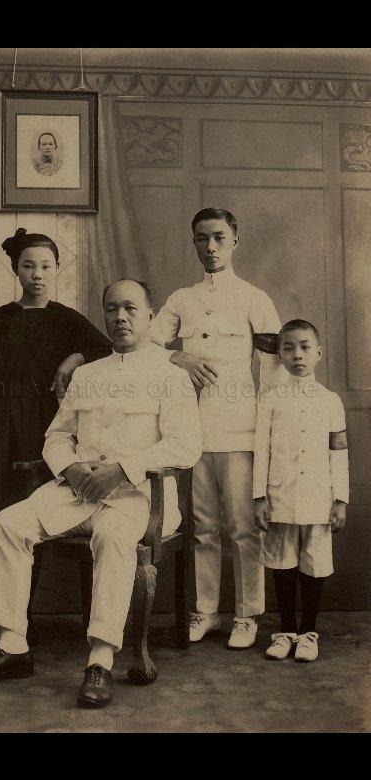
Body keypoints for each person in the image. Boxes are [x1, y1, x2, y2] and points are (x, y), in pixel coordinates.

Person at [0, 279, 202, 707]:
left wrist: (123, 469)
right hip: (77, 493)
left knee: (111, 535)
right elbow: (57, 436)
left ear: (150, 313)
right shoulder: (88, 374)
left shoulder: (171, 376)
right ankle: (13, 644)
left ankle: (101, 660)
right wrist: (68, 466)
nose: (120, 318)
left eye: (130, 308)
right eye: (111, 309)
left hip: (139, 498)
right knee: (6, 524)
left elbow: (185, 446)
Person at [149, 207, 286, 649]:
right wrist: (177, 356)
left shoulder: (254, 298)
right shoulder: (181, 300)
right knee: (202, 525)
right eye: (201, 239)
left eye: (219, 238)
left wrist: (268, 431)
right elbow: (147, 344)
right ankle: (205, 611)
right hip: (192, 430)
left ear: (235, 240)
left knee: (243, 527)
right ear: (193, 243)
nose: (210, 248)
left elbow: (274, 372)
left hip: (242, 427)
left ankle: (247, 615)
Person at [0, 229, 111, 558]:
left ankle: (36, 601)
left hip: (45, 427)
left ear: (58, 268)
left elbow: (106, 349)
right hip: (0, 428)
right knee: (0, 517)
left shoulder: (66, 319)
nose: (37, 275)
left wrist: (73, 358)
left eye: (46, 267)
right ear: (16, 269)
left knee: (41, 516)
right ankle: (12, 608)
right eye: (28, 266)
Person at [254, 319, 349, 662]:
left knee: (314, 561)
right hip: (279, 496)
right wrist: (258, 497)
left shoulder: (330, 401)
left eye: (305, 347)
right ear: (279, 354)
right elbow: (261, 451)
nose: (297, 355)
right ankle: (286, 630)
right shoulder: (270, 400)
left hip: (318, 498)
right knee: (282, 562)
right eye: (288, 348)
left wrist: (340, 499)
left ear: (319, 353)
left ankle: (309, 632)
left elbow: (338, 452)